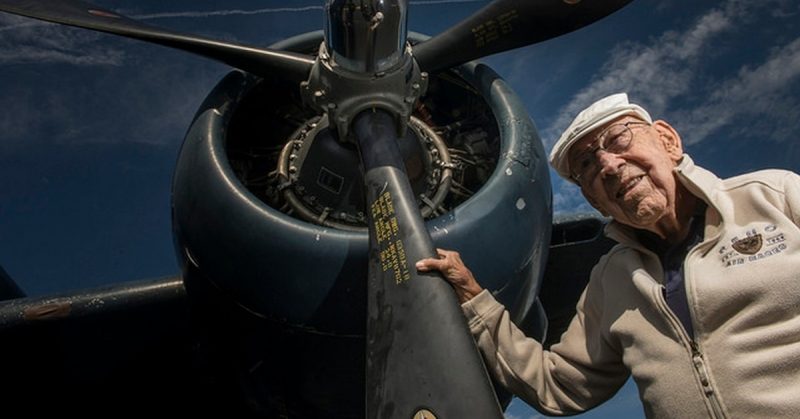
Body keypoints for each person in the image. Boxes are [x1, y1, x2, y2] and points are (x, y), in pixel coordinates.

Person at [416, 93, 800, 418]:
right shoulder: (611, 278)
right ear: (593, 200)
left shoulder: (775, 196)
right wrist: (473, 297)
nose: (609, 165)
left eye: (619, 139)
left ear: (668, 140)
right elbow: (559, 384)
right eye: (586, 165)